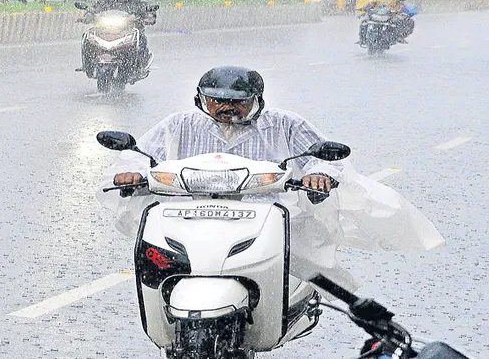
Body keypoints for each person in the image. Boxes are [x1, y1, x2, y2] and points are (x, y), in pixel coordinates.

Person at [97, 66, 445, 290]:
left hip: (266, 214)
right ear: (201, 100)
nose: (226, 108)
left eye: (238, 102)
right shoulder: (180, 124)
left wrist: (318, 175)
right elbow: (139, 153)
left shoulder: (285, 123)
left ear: (256, 101)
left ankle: (313, 298)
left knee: (312, 268)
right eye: (216, 101)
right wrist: (133, 172)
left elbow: (320, 158)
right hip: (190, 213)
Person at [81, 0, 156, 72]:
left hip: (128, 31)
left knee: (141, 38)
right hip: (106, 30)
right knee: (88, 37)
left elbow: (149, 13)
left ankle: (141, 64)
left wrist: (148, 17)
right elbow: (94, 10)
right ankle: (88, 64)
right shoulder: (105, 2)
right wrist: (88, 17)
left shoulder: (138, 4)